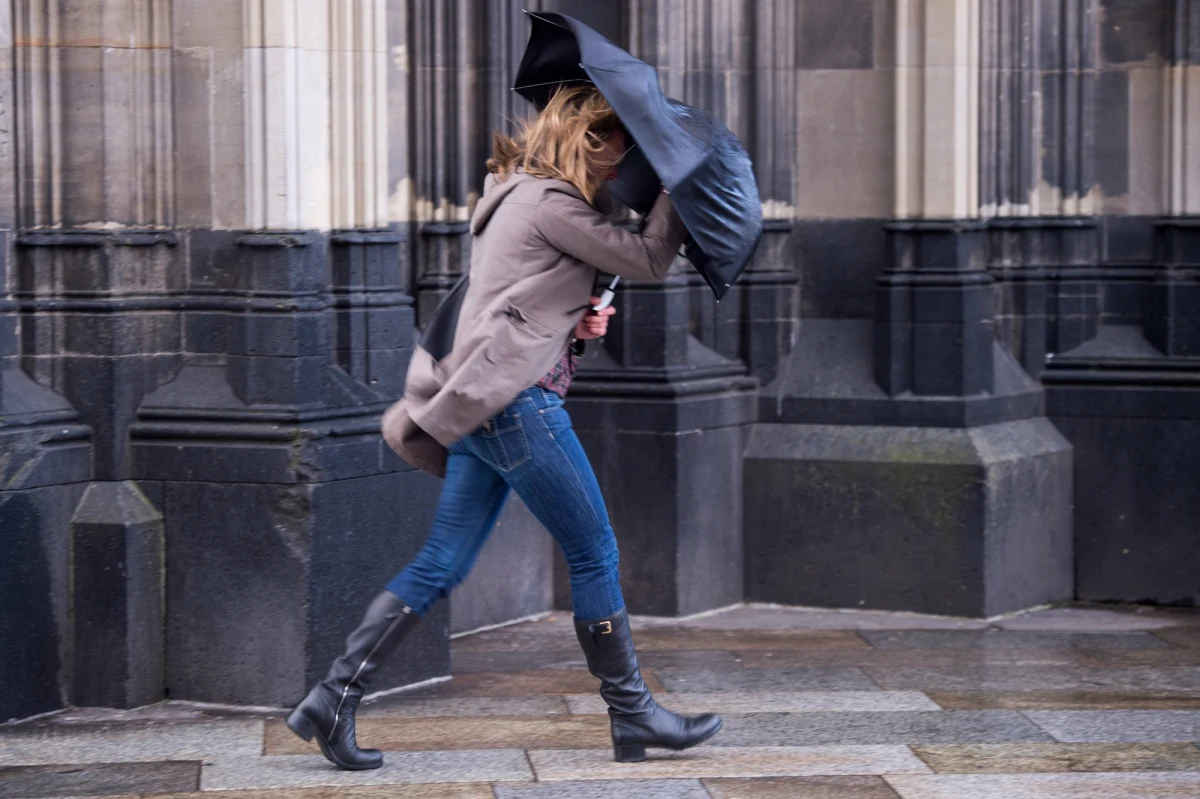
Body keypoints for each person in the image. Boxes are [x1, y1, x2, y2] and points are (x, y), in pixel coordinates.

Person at [286, 86, 722, 770]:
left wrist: (580, 327)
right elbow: (646, 258)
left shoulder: (518, 196)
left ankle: (332, 696)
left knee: (441, 563)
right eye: (620, 146)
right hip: (518, 406)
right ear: (589, 138)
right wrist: (675, 184)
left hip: (486, 403)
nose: (622, 163)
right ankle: (634, 713)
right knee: (595, 551)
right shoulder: (549, 202)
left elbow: (520, 312)